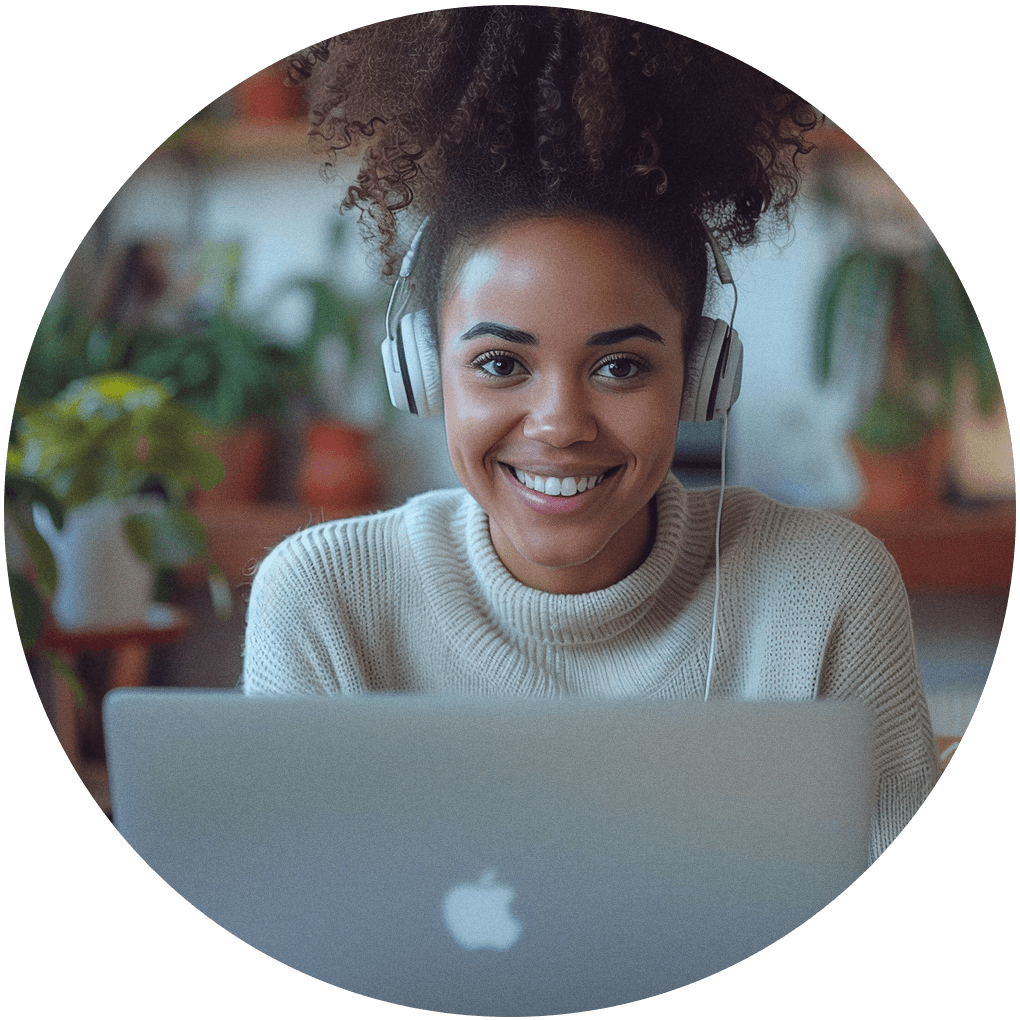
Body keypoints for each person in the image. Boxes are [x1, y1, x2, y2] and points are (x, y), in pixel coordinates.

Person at [241, 9, 937, 863]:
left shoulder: (826, 593)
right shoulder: (325, 600)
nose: (561, 425)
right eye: (500, 364)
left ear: (702, 373)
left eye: (620, 368)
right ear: (423, 372)